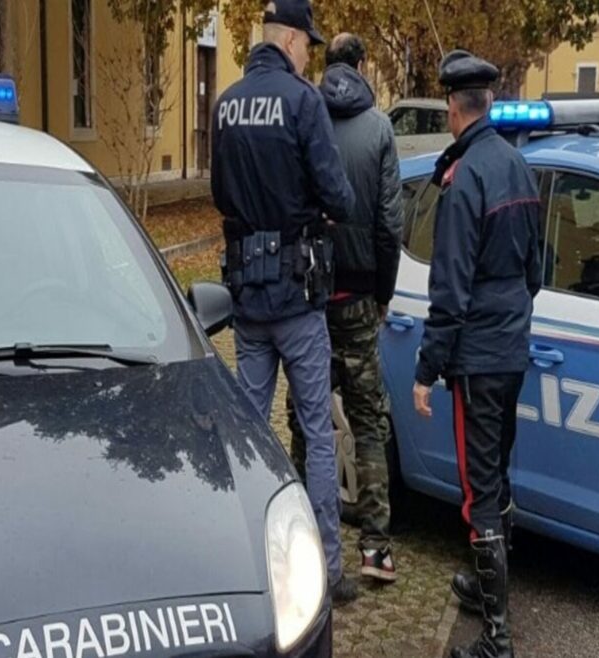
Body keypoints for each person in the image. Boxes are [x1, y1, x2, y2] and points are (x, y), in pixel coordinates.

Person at [210, 0, 359, 605]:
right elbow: (340, 197)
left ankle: (247, 564)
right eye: (308, 46)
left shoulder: (225, 104)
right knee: (317, 433)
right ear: (292, 41)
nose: (308, 57)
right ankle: (328, 568)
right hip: (298, 299)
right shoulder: (303, 102)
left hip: (248, 300)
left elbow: (220, 193)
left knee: (249, 434)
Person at [412, 50, 542, 658]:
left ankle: (497, 639)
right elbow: (535, 270)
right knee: (499, 474)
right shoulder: (518, 164)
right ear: (486, 102)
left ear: (451, 108)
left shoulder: (464, 179)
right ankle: (487, 589)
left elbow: (450, 288)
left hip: (478, 358)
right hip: (512, 351)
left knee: (478, 491)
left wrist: (426, 369)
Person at [285, 32, 404, 584]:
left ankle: (300, 537)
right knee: (368, 420)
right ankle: (375, 550)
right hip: (357, 297)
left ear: (326, 63)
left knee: (305, 418)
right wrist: (383, 292)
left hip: (309, 296)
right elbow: (389, 223)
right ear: (360, 65)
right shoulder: (379, 128)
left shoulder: (302, 115)